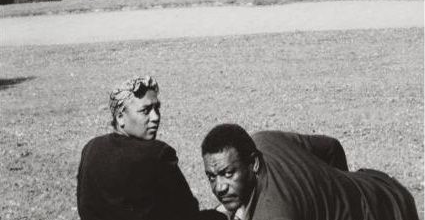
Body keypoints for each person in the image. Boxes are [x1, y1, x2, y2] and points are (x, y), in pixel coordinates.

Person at [201, 124, 419, 220]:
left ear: (254, 164)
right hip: (378, 184)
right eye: (211, 176)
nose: (219, 187)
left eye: (228, 174)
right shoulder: (262, 140)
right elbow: (331, 147)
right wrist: (336, 193)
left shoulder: (275, 214)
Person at [77, 75, 200, 220]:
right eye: (145, 111)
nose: (155, 117)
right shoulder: (158, 154)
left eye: (157, 108)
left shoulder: (91, 148)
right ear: (120, 117)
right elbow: (188, 211)